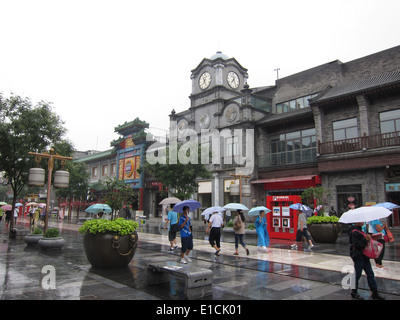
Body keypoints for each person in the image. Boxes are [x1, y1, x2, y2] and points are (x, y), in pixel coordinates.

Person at [349, 222, 385, 300]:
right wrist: (365, 239)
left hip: (365, 255)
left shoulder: (361, 230)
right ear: (357, 222)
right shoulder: (354, 232)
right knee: (357, 275)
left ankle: (375, 293)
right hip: (358, 256)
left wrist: (369, 237)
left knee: (370, 274)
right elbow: (358, 244)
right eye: (361, 221)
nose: (363, 222)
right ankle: (354, 292)